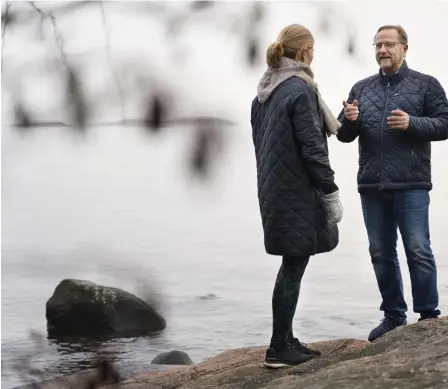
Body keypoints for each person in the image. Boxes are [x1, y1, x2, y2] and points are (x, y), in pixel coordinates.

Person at [337, 25, 448, 342]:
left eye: (388, 44)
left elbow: (445, 123)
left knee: (418, 249)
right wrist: (350, 119)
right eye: (377, 45)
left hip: (411, 183)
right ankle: (394, 316)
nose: (382, 50)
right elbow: (343, 133)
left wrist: (412, 123)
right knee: (380, 252)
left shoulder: (426, 85)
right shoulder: (361, 87)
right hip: (372, 185)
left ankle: (428, 316)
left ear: (405, 47)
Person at [250, 24, 343, 368]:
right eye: (313, 49)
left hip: (273, 190)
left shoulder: (264, 93)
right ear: (304, 53)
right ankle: (278, 347)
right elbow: (312, 148)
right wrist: (330, 190)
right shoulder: (300, 91)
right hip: (298, 192)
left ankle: (286, 338)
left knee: (293, 262)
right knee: (294, 264)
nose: (314, 54)